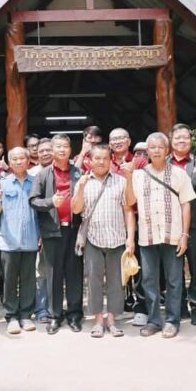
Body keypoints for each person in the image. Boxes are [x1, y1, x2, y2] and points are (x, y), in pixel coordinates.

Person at [125, 132, 196, 338]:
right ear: (147, 151)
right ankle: (154, 320)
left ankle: (172, 320)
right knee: (148, 280)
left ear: (167, 150)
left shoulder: (179, 174)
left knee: (174, 280)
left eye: (160, 147)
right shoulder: (138, 175)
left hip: (172, 234)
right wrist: (128, 177)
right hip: (146, 236)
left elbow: (186, 205)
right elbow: (129, 202)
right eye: (152, 147)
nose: (156, 151)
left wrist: (185, 234)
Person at [72, 144, 136, 338]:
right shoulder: (83, 181)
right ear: (90, 161)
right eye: (97, 158)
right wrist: (80, 187)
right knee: (94, 280)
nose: (101, 162)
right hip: (93, 239)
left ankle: (112, 320)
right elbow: (76, 209)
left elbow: (129, 208)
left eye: (105, 158)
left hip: (117, 239)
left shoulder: (120, 181)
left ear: (110, 160)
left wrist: (130, 238)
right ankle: (98, 320)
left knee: (117, 282)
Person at [30, 133, 85, 334]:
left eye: (65, 146)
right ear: (52, 150)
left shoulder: (78, 172)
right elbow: (33, 201)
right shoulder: (43, 175)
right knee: (53, 274)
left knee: (74, 272)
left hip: (74, 229)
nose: (61, 150)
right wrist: (50, 202)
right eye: (58, 146)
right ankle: (55, 315)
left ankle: (74, 314)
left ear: (71, 150)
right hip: (52, 231)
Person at [167, 124, 196, 325]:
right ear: (171, 141)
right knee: (173, 269)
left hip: (195, 223)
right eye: (177, 137)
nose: (181, 141)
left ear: (191, 140)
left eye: (185, 137)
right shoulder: (164, 163)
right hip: (170, 224)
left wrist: (193, 184)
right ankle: (179, 306)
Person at [0, 147, 40, 334]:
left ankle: (26, 315)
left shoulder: (36, 182)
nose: (19, 162)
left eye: (22, 158)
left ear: (28, 161)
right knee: (9, 281)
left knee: (28, 279)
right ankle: (11, 316)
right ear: (9, 162)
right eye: (15, 159)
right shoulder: (3, 183)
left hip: (30, 239)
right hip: (9, 240)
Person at [108, 128, 148, 326]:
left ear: (129, 141)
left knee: (138, 264)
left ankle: (141, 306)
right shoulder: (106, 162)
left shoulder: (140, 161)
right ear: (109, 144)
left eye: (121, 138)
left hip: (138, 218)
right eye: (114, 139)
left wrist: (133, 173)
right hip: (114, 220)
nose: (117, 141)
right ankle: (121, 303)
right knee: (117, 264)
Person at [28, 137, 53, 323]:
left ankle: (55, 307)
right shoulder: (30, 174)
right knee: (40, 271)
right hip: (36, 228)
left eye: (48, 150)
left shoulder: (63, 171)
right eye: (41, 150)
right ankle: (41, 309)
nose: (44, 153)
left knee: (57, 270)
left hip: (58, 229)